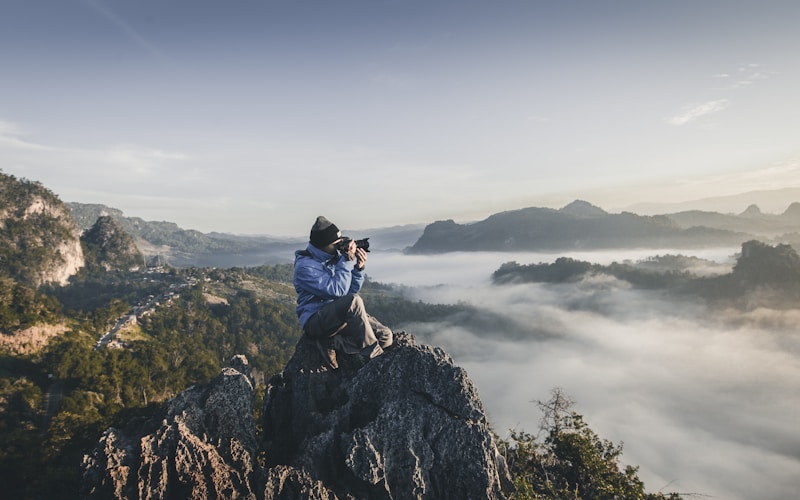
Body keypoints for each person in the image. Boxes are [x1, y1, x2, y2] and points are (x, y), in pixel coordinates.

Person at [293, 216, 393, 370]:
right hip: (316, 321)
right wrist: (345, 261)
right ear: (323, 245)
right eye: (336, 244)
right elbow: (338, 292)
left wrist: (358, 269)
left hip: (337, 318)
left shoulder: (333, 259)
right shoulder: (305, 267)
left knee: (385, 336)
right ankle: (373, 358)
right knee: (354, 301)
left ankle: (335, 343)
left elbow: (349, 293)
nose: (340, 247)